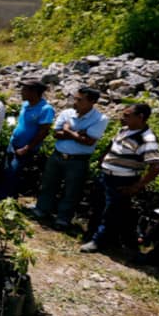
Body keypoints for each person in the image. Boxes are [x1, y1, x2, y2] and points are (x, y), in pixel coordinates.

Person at [82, 104, 159, 255]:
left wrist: (137, 186)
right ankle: (93, 235)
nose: (122, 118)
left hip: (122, 181)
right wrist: (103, 159)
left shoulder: (147, 139)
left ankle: (99, 241)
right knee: (98, 206)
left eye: (127, 115)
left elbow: (156, 166)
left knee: (111, 213)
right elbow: (112, 145)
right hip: (106, 175)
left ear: (140, 117)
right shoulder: (124, 130)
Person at [33, 87, 109, 229]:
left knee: (72, 190)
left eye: (80, 100)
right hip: (57, 155)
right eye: (75, 98)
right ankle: (42, 210)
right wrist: (78, 134)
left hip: (78, 160)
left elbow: (89, 141)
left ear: (92, 102)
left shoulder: (100, 119)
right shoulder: (67, 112)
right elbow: (56, 134)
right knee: (48, 184)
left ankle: (63, 219)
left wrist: (67, 130)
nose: (75, 102)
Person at [0, 79, 55, 203]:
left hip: (25, 148)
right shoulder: (26, 105)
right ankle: (10, 200)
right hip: (13, 144)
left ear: (34, 92)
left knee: (12, 174)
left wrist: (27, 148)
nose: (21, 92)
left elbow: (43, 132)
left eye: (24, 90)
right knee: (8, 172)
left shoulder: (45, 109)